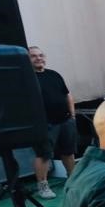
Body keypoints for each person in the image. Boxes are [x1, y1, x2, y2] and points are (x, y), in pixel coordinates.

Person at [28, 46, 77, 199]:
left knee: (68, 152)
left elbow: (67, 95)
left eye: (41, 55)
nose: (38, 58)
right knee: (43, 155)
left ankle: (73, 180)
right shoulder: (26, 78)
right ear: (27, 59)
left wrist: (73, 116)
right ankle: (43, 187)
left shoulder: (54, 75)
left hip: (65, 120)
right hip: (44, 125)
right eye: (34, 56)